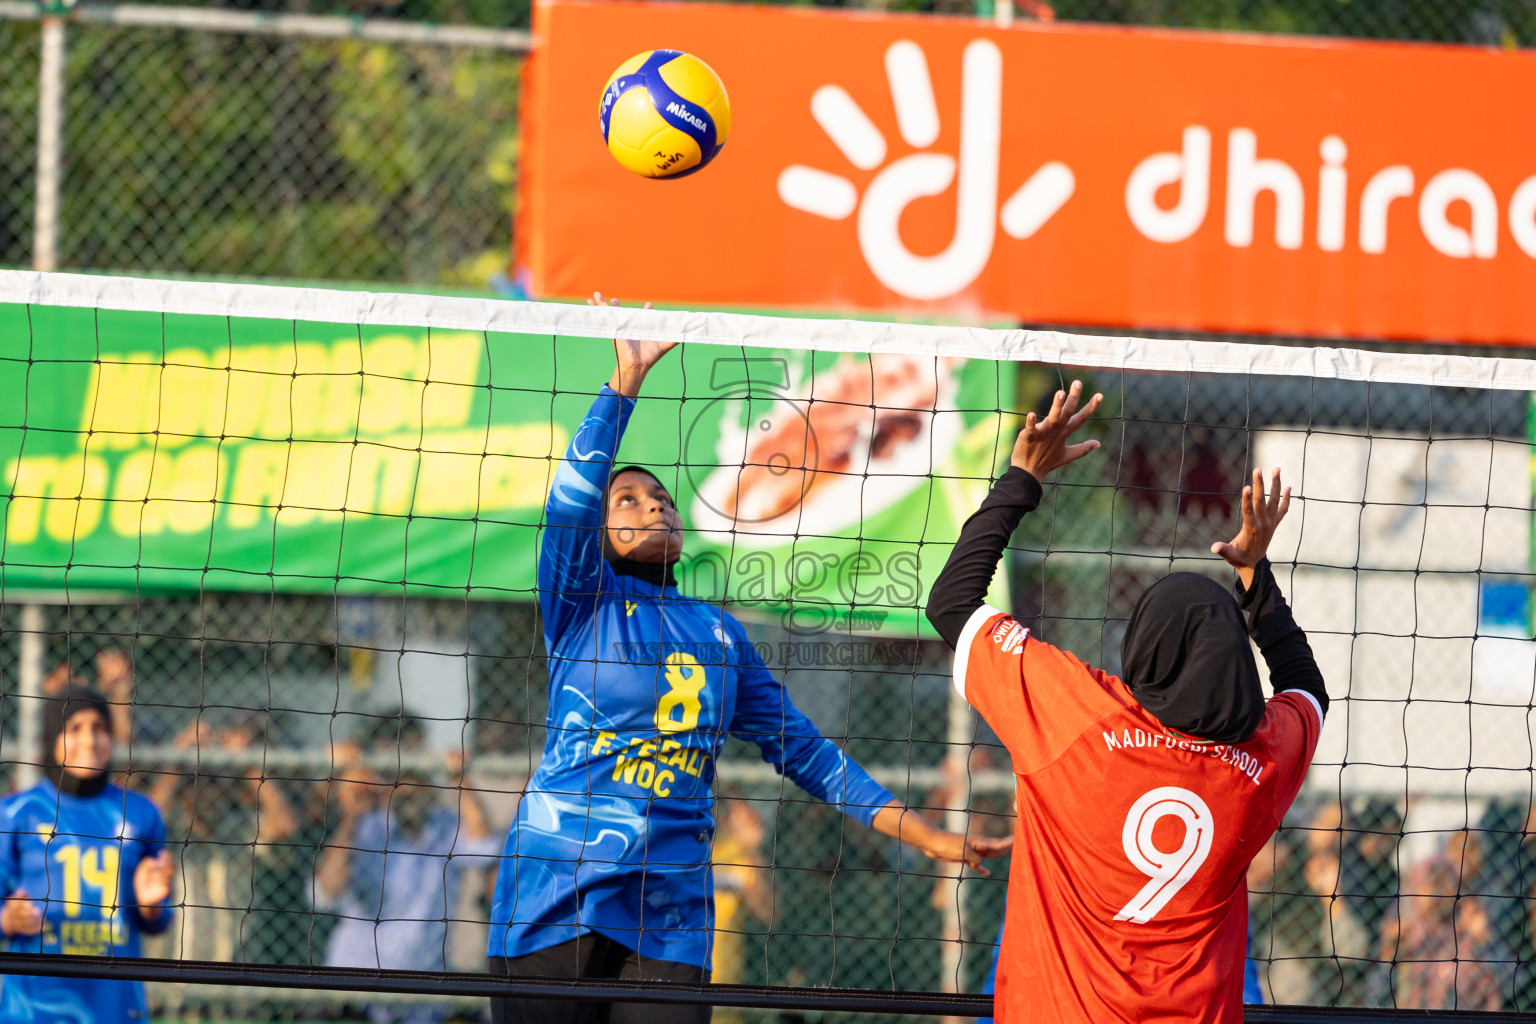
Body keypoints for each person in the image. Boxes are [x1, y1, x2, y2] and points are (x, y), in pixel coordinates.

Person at [487, 300, 1011, 1024]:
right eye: (629, 499)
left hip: (669, 918)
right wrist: (624, 385)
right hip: (556, 890)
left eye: (662, 498)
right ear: (602, 534)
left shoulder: (720, 636)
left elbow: (810, 755)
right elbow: (569, 504)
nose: (654, 507)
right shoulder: (582, 603)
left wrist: (923, 833)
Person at [925, 380, 1328, 1024]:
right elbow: (1306, 688)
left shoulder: (1078, 715)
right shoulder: (1262, 765)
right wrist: (1254, 577)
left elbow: (949, 606)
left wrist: (1022, 478)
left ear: (1143, 651)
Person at [0, 685, 175, 1023]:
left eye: (100, 728)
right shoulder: (16, 812)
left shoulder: (141, 813)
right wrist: (8, 919)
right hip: (32, 1008)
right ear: (52, 736)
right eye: (75, 728)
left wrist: (151, 906)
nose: (89, 740)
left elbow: (161, 920)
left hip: (114, 1005)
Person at [315, 748, 497, 1023]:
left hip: (422, 997)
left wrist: (461, 780)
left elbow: (485, 845)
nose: (411, 791)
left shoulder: (446, 829)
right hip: (354, 993)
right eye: (402, 783)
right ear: (389, 789)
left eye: (419, 781)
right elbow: (325, 892)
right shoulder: (366, 829)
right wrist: (350, 816)